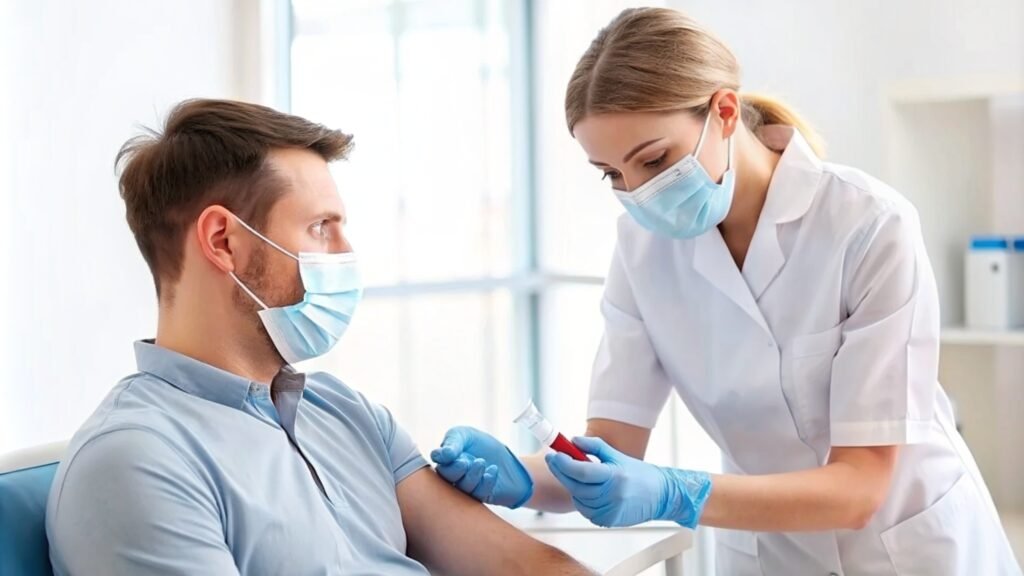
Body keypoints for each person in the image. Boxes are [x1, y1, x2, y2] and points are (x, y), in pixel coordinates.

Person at [431, 7, 1021, 575]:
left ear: (725, 112)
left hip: (905, 551)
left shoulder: (869, 225)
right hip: (769, 553)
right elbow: (610, 454)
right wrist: (522, 477)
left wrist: (678, 492)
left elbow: (860, 486)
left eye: (653, 160)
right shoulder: (640, 251)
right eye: (611, 173)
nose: (636, 192)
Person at [45, 99, 593, 576]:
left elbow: (522, 564)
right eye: (319, 228)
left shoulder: (346, 413)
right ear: (224, 241)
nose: (345, 252)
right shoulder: (136, 460)